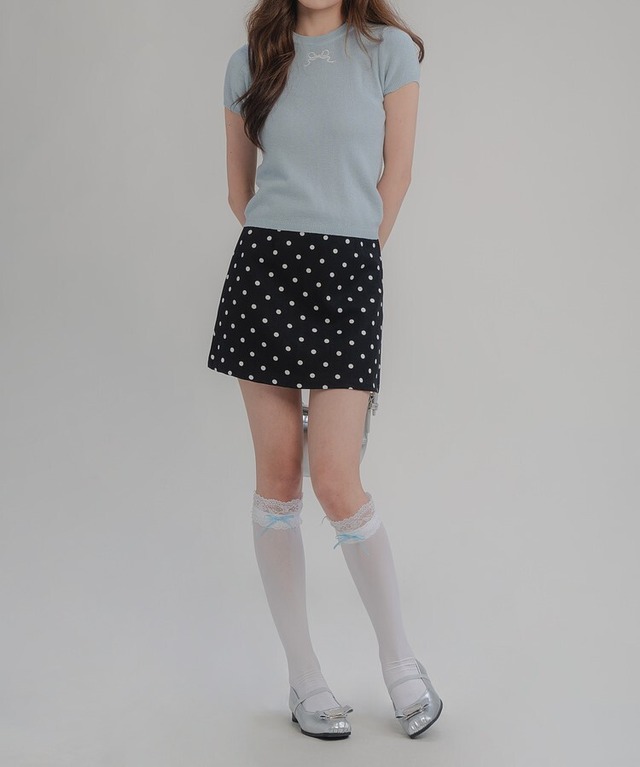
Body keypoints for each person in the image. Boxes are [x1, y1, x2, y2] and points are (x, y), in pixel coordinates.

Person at [206, 0, 443, 740]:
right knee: (278, 482)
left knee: (338, 480)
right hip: (265, 273)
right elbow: (240, 191)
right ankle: (304, 678)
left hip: (348, 273)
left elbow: (396, 176)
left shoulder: (387, 53)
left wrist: (351, 259)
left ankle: (401, 664)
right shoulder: (248, 64)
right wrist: (288, 245)